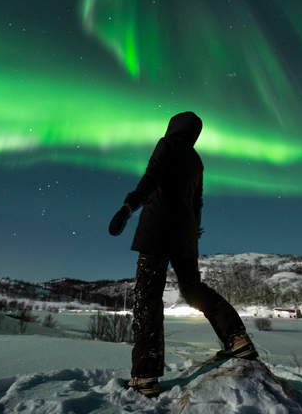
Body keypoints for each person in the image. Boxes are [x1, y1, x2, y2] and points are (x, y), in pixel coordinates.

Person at [109, 111, 257, 398]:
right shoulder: (197, 160)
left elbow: (151, 177)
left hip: (158, 231)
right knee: (193, 289)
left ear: (174, 126)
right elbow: (196, 200)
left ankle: (145, 375)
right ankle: (237, 339)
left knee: (148, 297)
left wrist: (128, 207)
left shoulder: (168, 145)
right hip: (186, 234)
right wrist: (194, 228)